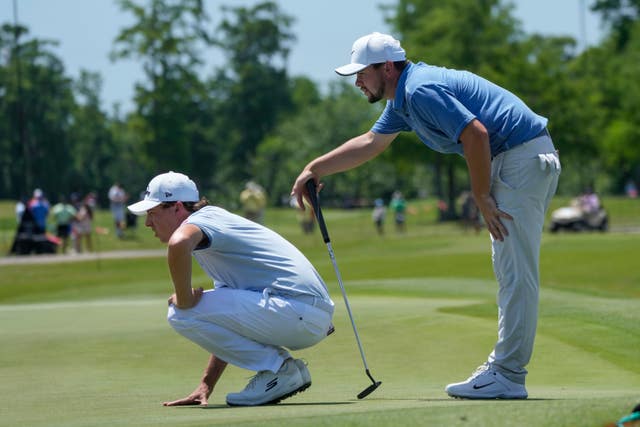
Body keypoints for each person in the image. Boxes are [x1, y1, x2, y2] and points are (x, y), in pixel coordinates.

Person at [291, 32, 561, 400]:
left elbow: (475, 134)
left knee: (515, 270)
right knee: (509, 267)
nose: (357, 81)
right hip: (519, 157)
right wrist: (314, 168)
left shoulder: (419, 89)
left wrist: (480, 196)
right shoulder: (402, 99)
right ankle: (505, 369)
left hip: (520, 156)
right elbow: (371, 143)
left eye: (361, 73)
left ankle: (509, 373)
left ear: (387, 68)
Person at [127, 171, 334, 407]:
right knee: (188, 310)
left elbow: (178, 243)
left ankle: (281, 371)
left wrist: (184, 299)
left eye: (152, 213)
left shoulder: (201, 223)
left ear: (176, 208)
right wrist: (207, 383)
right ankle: (289, 370)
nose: (147, 223)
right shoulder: (214, 230)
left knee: (179, 312)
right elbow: (226, 323)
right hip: (306, 314)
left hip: (295, 310)